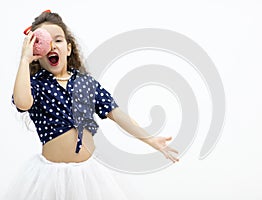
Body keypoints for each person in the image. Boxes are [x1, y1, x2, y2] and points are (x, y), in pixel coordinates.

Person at [4, 10, 179, 200]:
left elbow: (116, 113)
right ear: (37, 52)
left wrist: (150, 139)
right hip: (50, 177)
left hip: (88, 175)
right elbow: (22, 102)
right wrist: (24, 59)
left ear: (69, 49)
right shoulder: (36, 85)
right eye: (44, 42)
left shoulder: (85, 83)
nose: (52, 46)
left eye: (58, 40)